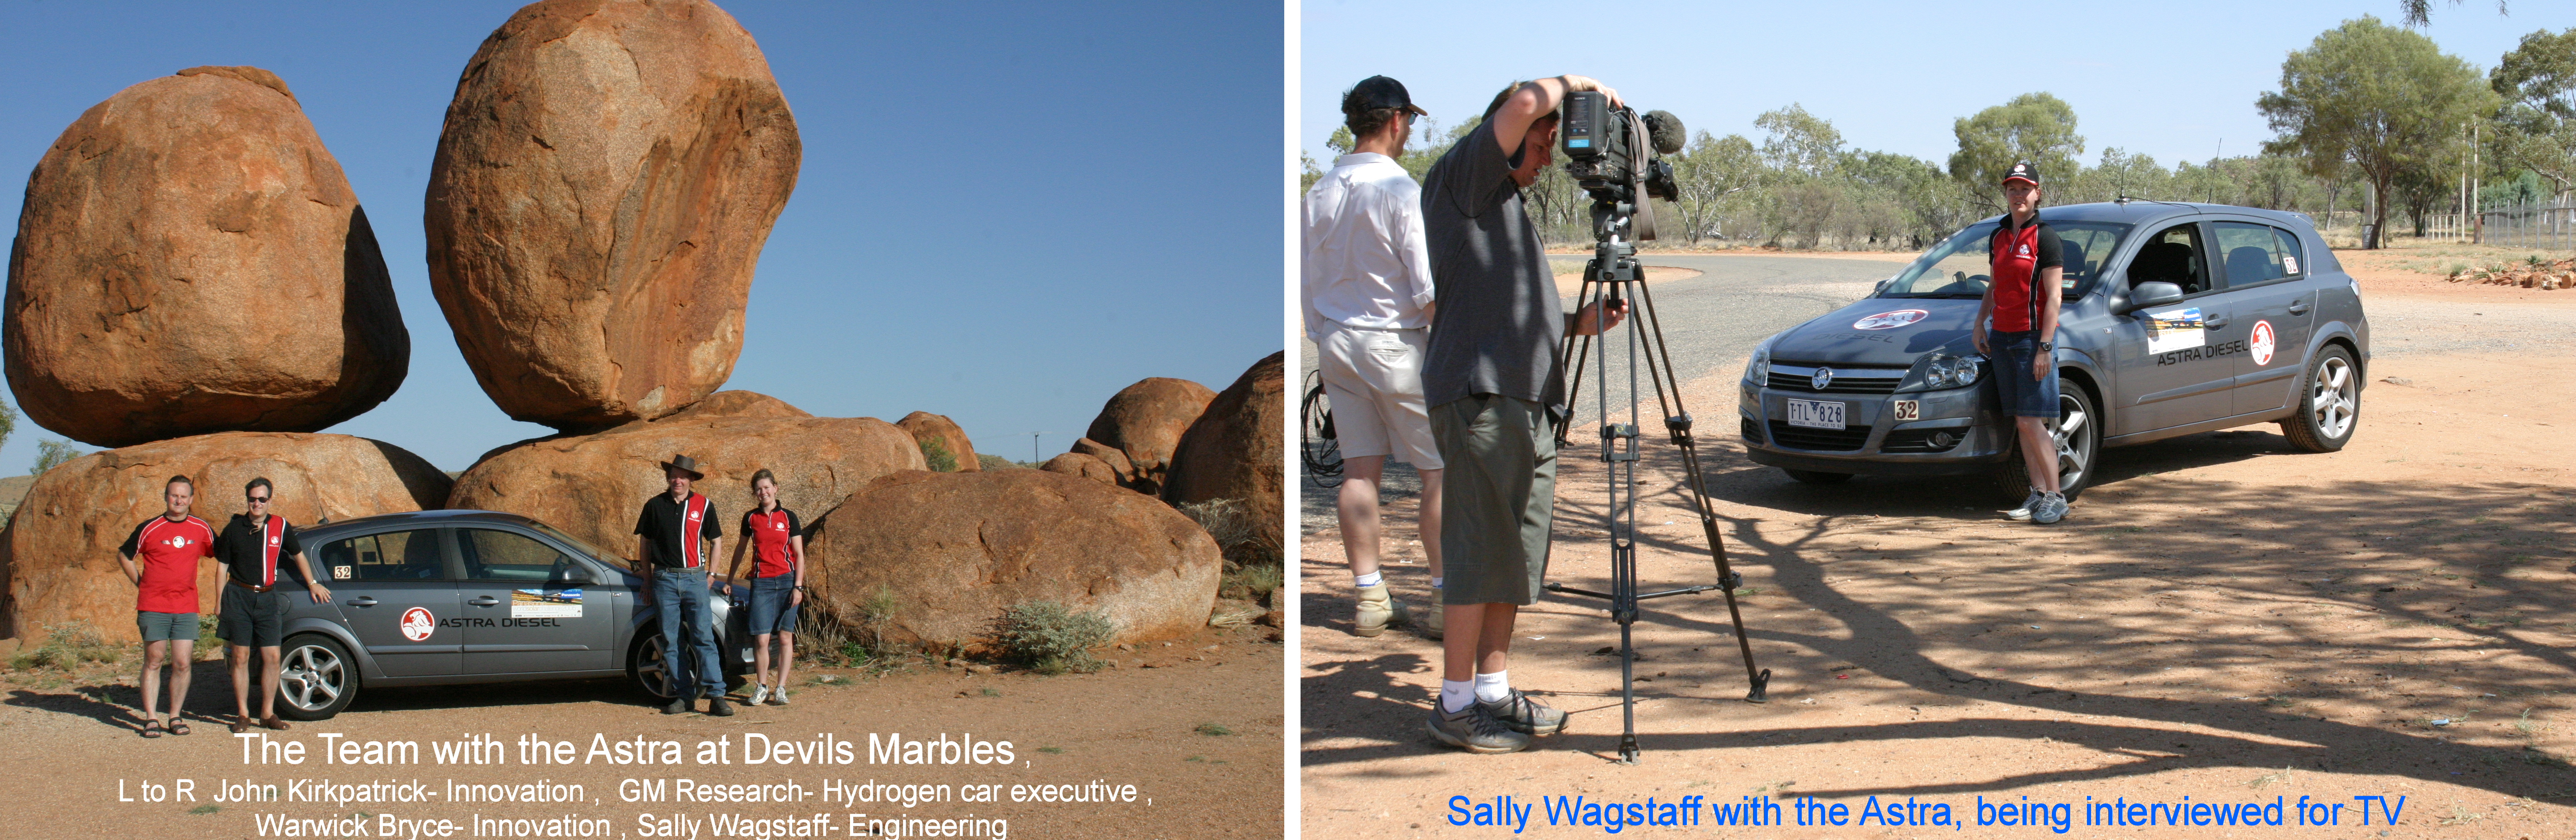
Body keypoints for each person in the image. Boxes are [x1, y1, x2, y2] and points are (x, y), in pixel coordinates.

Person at [1418, 76, 1631, 753]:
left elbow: (1505, 307)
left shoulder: (1505, 204)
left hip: (1526, 398)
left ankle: (1491, 692)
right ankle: (1453, 707)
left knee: (1512, 556)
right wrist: (1584, 88)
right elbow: (1519, 102)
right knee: (1479, 552)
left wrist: (1577, 325)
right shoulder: (1466, 176)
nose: (1550, 155)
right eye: (1543, 140)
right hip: (1480, 395)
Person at [1303, 74, 1445, 639]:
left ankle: (1369, 597)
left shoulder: (1316, 194)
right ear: (1394, 121)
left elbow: (1306, 286)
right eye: (1408, 121)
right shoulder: (1400, 191)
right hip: (1397, 342)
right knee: (1440, 470)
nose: (1408, 131)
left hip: (1337, 341)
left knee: (1358, 470)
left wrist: (1324, 333)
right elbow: (1427, 286)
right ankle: (1443, 598)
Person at [1969, 161, 2070, 525]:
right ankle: (2039, 493)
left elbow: (2055, 298)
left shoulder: (2046, 237)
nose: (2018, 196)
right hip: (2002, 337)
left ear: (2037, 193)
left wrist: (2045, 346)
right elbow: (1994, 286)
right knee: (2020, 421)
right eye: (2012, 189)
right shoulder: (1998, 237)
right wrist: (1980, 323)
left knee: (2032, 420)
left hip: (2032, 340)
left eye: (2025, 189)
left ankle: (2057, 497)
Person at [212, 477, 332, 733]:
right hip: (239, 595)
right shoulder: (234, 529)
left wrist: (312, 583)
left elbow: (298, 554)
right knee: (241, 657)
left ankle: (267, 713)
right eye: (252, 499)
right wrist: (219, 601)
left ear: (270, 500)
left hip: (267, 597)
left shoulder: (280, 525)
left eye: (262, 499)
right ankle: (243, 714)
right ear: (247, 501)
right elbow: (222, 567)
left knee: (273, 657)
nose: (257, 503)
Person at [117, 474, 217, 738]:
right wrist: (140, 583)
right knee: (154, 660)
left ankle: (175, 715)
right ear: (166, 497)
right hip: (154, 605)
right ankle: (151, 718)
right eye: (174, 495)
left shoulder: (201, 528)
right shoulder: (150, 528)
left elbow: (223, 553)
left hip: (186, 606)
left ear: (191, 500)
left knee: (183, 663)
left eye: (184, 496)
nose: (179, 500)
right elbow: (125, 555)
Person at [633, 455, 729, 715]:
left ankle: (717, 695)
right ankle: (684, 696)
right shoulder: (655, 506)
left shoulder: (704, 505)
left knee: (703, 637)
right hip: (664, 579)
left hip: (695, 578)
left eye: (683, 476)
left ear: (691, 480)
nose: (678, 480)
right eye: (674, 475)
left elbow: (716, 541)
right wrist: (648, 579)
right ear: (669, 478)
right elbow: (645, 543)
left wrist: (712, 574)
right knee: (671, 639)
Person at [723, 468, 805, 706]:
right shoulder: (751, 518)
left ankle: (781, 688)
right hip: (762, 583)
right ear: (755, 493)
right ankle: (761, 686)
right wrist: (729, 580)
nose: (763, 492)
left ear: (776, 488)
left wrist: (798, 587)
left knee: (785, 637)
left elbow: (799, 554)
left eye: (767, 487)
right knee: (761, 639)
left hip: (788, 581)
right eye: (759, 489)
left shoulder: (789, 517)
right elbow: (740, 549)